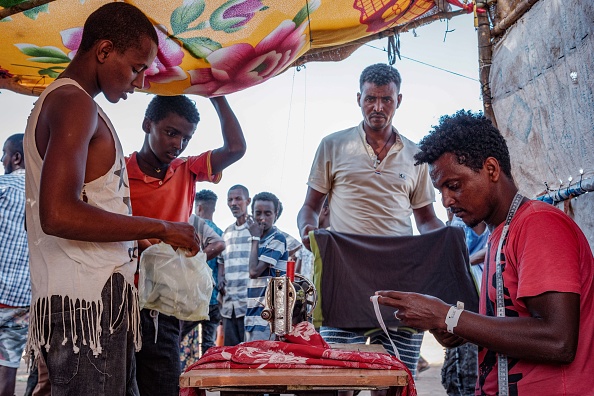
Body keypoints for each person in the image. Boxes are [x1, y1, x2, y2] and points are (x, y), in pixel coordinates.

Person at [22, 4, 201, 395]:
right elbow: (57, 213)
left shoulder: (68, 102)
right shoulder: (74, 103)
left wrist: (131, 237)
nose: (138, 83)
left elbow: (74, 206)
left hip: (90, 300)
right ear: (104, 51)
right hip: (87, 303)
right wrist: (163, 228)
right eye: (136, 68)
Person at [376, 110, 594, 395]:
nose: (446, 201)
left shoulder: (539, 224)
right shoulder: (498, 235)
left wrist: (448, 317)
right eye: (440, 190)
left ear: (491, 170)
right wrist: (454, 328)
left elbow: (558, 339)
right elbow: (512, 324)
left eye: (454, 186)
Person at [297, 63, 444, 376]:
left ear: (398, 100)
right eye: (370, 98)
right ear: (359, 99)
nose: (378, 107)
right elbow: (309, 207)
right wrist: (308, 232)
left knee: (396, 376)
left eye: (386, 100)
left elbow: (427, 220)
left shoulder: (416, 155)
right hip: (344, 280)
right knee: (337, 378)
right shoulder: (333, 145)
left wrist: (445, 240)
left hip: (399, 282)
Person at [127, 94, 245, 396]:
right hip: (120, 296)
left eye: (186, 138)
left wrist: (217, 96)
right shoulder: (120, 172)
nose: (178, 144)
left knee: (164, 384)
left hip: (162, 305)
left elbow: (235, 148)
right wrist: (153, 240)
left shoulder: (186, 169)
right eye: (171, 133)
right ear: (146, 124)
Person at [441, 211, 489, 395]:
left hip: (471, 298)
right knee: (453, 373)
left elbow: (490, 246)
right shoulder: (454, 219)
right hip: (456, 297)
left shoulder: (469, 215)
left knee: (468, 373)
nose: (445, 200)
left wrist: (465, 263)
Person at [180, 190, 225, 370]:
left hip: (193, 297)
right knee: (208, 343)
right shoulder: (221, 232)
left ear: (198, 208)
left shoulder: (192, 228)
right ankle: (209, 377)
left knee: (178, 337)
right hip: (213, 299)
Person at [0, 134, 29, 396]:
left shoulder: (2, 187)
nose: (3, 160)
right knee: (7, 367)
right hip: (22, 300)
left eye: (4, 154)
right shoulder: (43, 197)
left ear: (16, 158)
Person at [245, 192, 289, 341]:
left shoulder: (277, 238)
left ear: (276, 215)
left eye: (267, 213)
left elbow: (254, 272)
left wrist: (255, 238)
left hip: (268, 319)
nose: (262, 218)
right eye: (258, 213)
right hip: (252, 315)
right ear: (252, 214)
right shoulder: (255, 240)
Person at [218, 185, 252, 346]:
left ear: (248, 201)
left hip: (250, 304)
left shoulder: (256, 229)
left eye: (238, 199)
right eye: (230, 199)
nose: (233, 203)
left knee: (250, 353)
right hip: (229, 304)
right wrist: (220, 278)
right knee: (231, 354)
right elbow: (221, 261)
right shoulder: (227, 233)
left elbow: (294, 247)